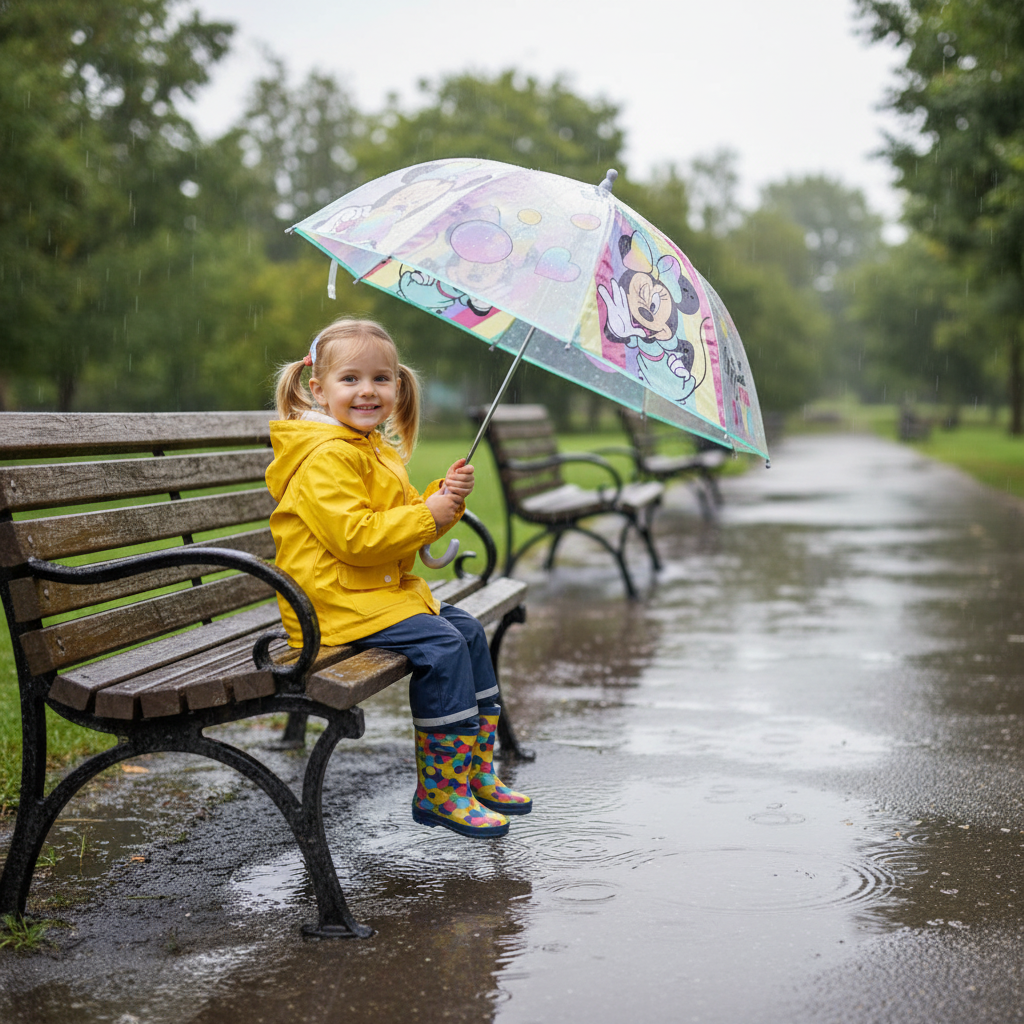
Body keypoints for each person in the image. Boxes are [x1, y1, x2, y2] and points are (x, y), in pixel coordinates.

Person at [266, 317, 531, 839]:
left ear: (398, 384)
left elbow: (404, 520)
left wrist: (444, 498)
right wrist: (427, 514)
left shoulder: (372, 448)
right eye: (351, 379)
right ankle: (439, 791)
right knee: (444, 645)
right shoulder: (326, 457)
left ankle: (473, 770)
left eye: (381, 379)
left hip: (371, 595)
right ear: (318, 390)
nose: (368, 391)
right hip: (332, 605)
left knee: (469, 632)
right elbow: (357, 539)